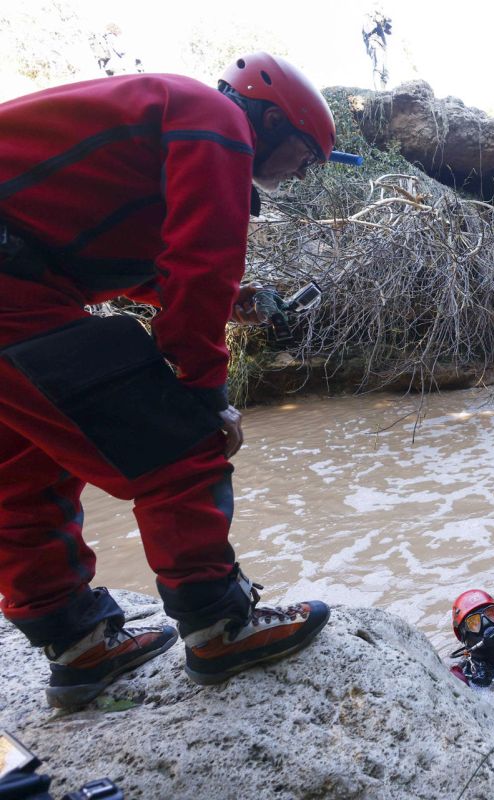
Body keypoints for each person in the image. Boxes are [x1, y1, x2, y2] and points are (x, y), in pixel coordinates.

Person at [0, 52, 335, 709]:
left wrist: (231, 300)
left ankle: (77, 645)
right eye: (304, 154)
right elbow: (199, 267)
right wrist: (205, 397)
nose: (302, 172)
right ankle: (219, 626)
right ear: (270, 119)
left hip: (23, 280)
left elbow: (133, 258)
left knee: (22, 470)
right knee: (180, 448)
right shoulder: (216, 121)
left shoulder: (168, 117)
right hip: (16, 288)